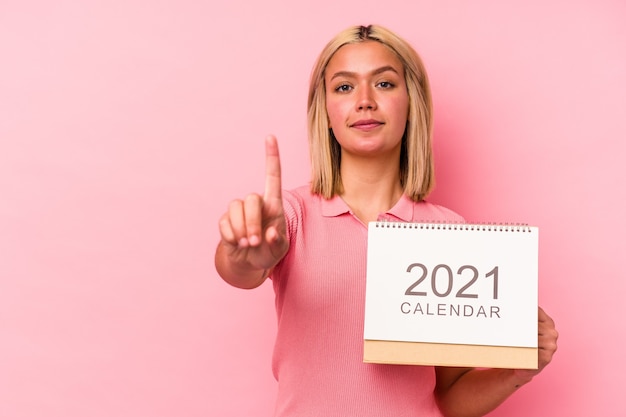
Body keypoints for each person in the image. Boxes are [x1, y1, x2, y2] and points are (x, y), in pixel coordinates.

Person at [215, 24, 558, 417]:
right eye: (344, 87)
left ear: (411, 103)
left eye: (384, 84)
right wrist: (245, 254)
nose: (364, 101)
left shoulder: (449, 232)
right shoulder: (290, 216)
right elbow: (237, 270)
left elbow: (449, 398)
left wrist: (516, 370)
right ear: (325, 112)